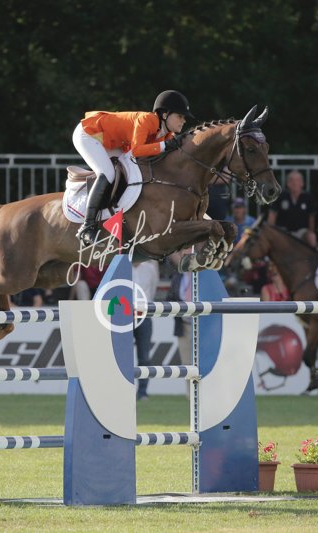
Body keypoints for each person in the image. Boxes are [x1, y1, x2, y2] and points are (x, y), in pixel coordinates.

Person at [72, 90, 194, 245]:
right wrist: (164, 146)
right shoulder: (147, 120)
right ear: (165, 115)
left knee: (127, 171)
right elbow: (137, 150)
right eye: (180, 116)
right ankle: (87, 227)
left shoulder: (166, 135)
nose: (183, 121)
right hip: (89, 133)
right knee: (108, 173)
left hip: (110, 141)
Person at [267, 170, 317, 247]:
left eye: (297, 180)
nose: (294, 183)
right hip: (283, 231)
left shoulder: (308, 197)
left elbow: (312, 218)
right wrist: (270, 232)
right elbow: (272, 215)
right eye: (291, 180)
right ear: (287, 183)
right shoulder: (280, 197)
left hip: (302, 232)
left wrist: (311, 232)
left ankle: (313, 254)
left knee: (311, 236)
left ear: (302, 183)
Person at [132, 260, 159, 401]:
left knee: (144, 356)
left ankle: (142, 392)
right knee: (122, 355)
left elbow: (153, 290)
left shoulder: (150, 268)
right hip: (124, 315)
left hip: (144, 314)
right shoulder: (121, 267)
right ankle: (123, 389)